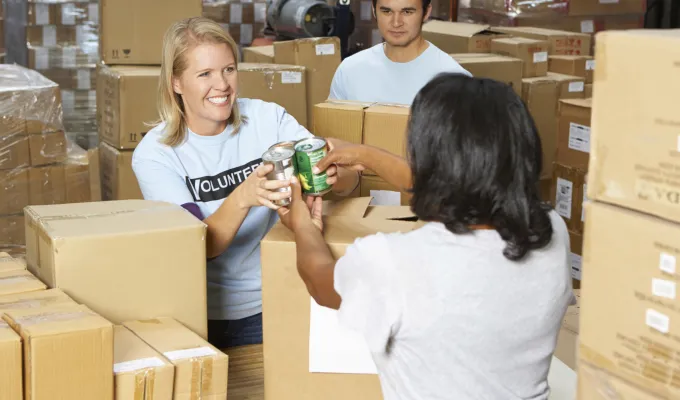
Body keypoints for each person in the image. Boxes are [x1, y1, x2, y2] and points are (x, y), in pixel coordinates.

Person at [278, 73, 573, 399]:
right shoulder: (553, 230)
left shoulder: (396, 261)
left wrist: (303, 225)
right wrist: (365, 156)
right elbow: (469, 184)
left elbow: (321, 282)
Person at [131, 17, 359, 348]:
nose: (222, 85)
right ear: (176, 82)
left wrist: (336, 176)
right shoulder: (156, 155)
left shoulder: (268, 119)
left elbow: (350, 179)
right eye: (205, 74)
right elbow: (200, 247)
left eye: (228, 69)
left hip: (282, 296)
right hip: (205, 316)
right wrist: (242, 197)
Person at [328, 0, 471, 104]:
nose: (396, 23)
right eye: (386, 11)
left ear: (426, 12)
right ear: (374, 10)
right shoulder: (349, 70)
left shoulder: (455, 81)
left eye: (407, 12)